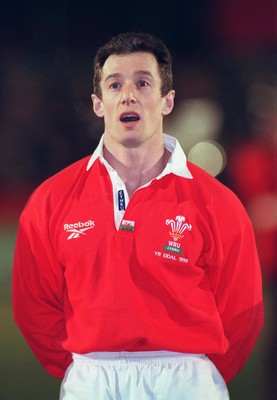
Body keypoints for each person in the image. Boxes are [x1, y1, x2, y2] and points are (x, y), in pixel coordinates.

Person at [12, 32, 264, 400]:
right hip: (91, 381)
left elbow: (243, 312)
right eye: (115, 84)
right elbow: (33, 305)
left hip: (187, 381)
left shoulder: (216, 203)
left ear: (167, 100)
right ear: (98, 103)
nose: (128, 94)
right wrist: (82, 369)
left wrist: (198, 374)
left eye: (143, 83)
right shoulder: (51, 200)